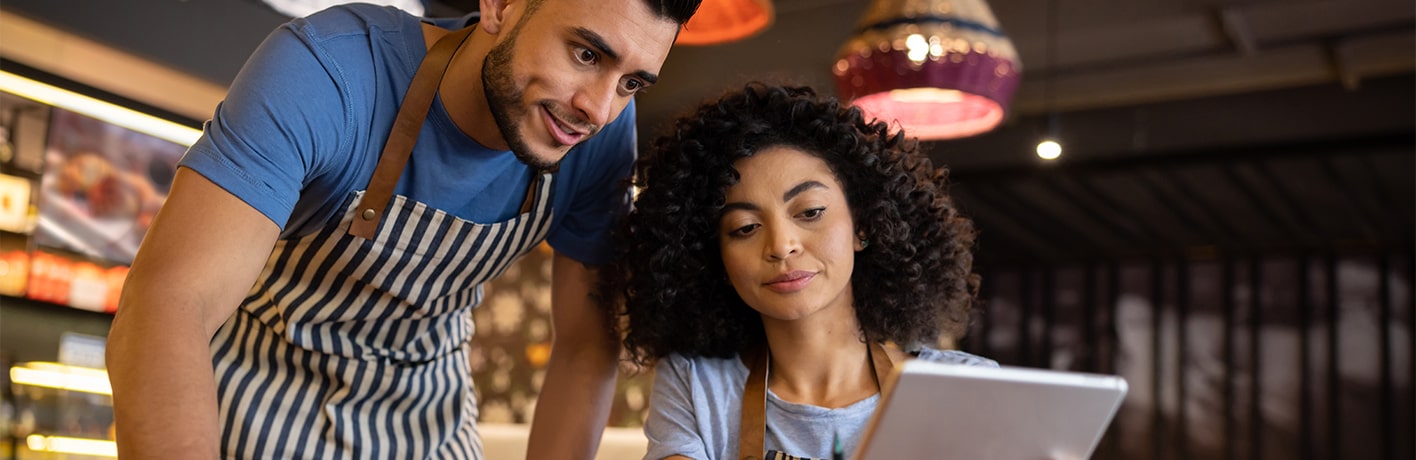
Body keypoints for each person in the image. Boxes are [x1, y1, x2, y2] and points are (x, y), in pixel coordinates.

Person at [104, 0, 700, 458]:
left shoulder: (598, 144)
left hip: (426, 421)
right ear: (500, 5)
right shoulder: (327, 71)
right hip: (245, 403)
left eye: (631, 84)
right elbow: (169, 303)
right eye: (587, 55)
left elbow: (583, 345)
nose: (597, 109)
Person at [598, 83, 998, 459]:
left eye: (810, 212)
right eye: (744, 228)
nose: (781, 246)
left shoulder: (966, 388)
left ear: (863, 226)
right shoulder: (696, 386)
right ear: (714, 257)